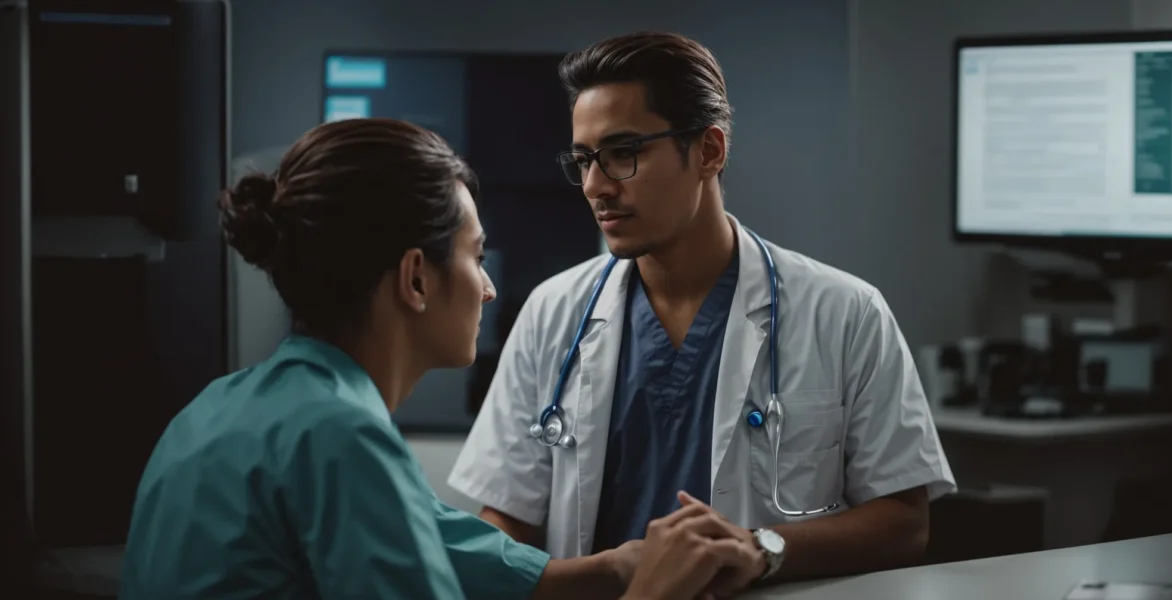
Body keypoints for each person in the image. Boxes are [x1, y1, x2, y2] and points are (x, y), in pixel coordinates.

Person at [118, 117, 763, 600]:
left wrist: (613, 568)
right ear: (416, 280)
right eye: (476, 256)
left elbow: (436, 540)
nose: (486, 286)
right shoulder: (341, 435)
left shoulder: (217, 409)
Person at [448, 30, 957, 590]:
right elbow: (506, 513)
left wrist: (762, 548)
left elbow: (905, 521)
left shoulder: (846, 312)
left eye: (623, 154)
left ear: (709, 151)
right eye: (584, 159)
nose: (595, 186)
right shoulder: (553, 311)